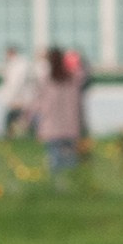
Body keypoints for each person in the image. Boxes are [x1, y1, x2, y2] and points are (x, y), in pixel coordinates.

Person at [33, 45, 88, 176]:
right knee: (70, 157)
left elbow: (39, 103)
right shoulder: (73, 79)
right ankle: (73, 181)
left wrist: (29, 118)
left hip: (52, 125)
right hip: (70, 124)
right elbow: (83, 74)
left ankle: (58, 183)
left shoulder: (47, 81)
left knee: (55, 159)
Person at [0, 43, 39, 137]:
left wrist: (13, 99)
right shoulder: (14, 64)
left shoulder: (19, 65)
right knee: (21, 118)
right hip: (19, 99)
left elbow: (17, 84)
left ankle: (10, 136)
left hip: (19, 99)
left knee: (15, 118)